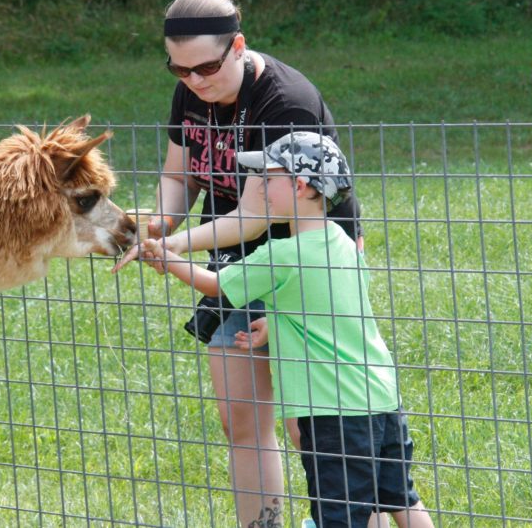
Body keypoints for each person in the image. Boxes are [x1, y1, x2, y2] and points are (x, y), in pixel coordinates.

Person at [113, 0, 362, 526]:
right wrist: (155, 224)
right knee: (241, 420)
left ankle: (340, 518)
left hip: (302, 270)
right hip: (234, 267)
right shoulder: (192, 94)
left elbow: (256, 215)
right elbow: (179, 176)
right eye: (179, 70)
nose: (194, 81)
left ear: (239, 46)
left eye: (206, 68)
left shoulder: (285, 103)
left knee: (311, 425)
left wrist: (174, 245)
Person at [135, 132, 435, 528]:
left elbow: (215, 285)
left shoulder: (281, 253)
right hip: (380, 398)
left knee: (339, 517)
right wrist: (275, 324)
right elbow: (333, 310)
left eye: (265, 177)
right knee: (400, 499)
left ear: (298, 185)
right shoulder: (342, 243)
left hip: (332, 412)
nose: (254, 186)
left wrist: (165, 256)